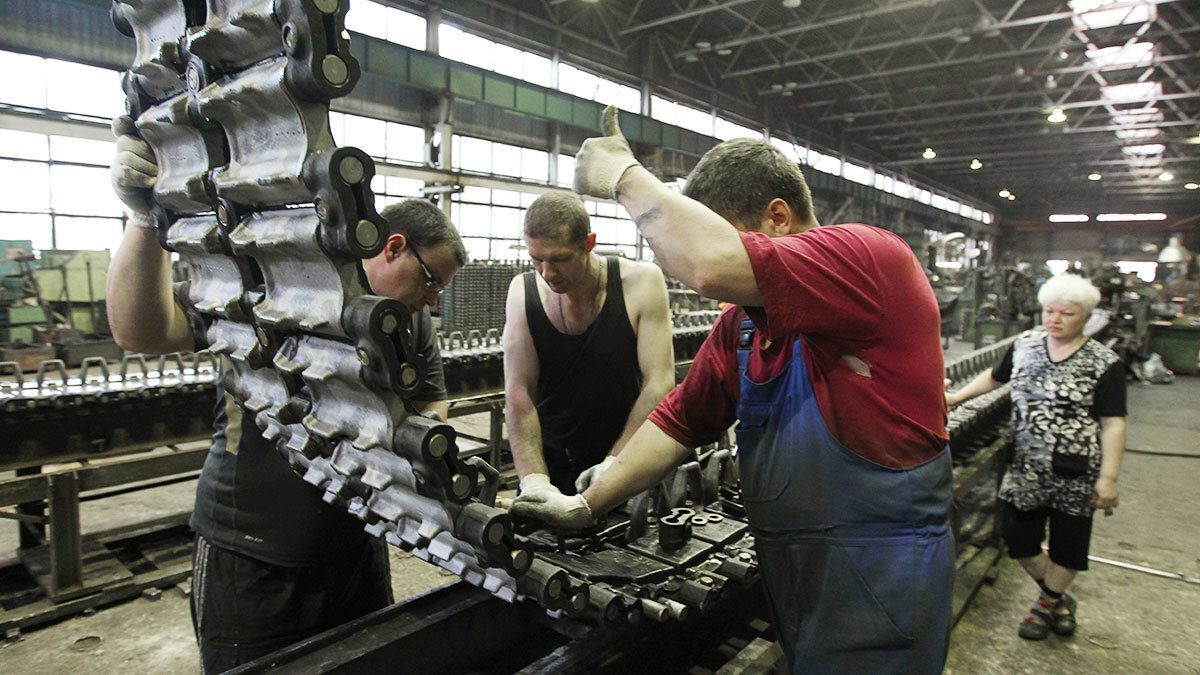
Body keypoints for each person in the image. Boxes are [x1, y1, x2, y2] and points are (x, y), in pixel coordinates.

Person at [512, 107, 955, 673]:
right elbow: (681, 418)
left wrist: (626, 177)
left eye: (719, 229)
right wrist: (586, 503)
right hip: (798, 577)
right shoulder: (743, 325)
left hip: (886, 574)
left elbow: (710, 263)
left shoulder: (871, 257)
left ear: (777, 219)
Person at [106, 115, 467, 673]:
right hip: (252, 555)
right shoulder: (275, 287)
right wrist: (142, 220)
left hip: (356, 548)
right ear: (393, 247)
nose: (433, 300)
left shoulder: (413, 325)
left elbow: (432, 406)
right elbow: (141, 332)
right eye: (430, 280)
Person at [946, 273, 1126, 641]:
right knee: (1020, 540)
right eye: (1049, 311)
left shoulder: (1104, 363)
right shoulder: (1026, 345)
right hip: (1025, 466)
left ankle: (1045, 606)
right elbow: (996, 379)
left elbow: (1112, 424)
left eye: (1067, 314)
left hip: (1076, 471)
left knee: (1068, 545)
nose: (1055, 319)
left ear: (1087, 317)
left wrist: (1108, 478)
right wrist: (958, 397)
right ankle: (1058, 598)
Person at [503, 191, 675, 502]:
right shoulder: (522, 292)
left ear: (589, 244)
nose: (548, 273)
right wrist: (534, 480)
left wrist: (616, 463)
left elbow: (659, 382)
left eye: (560, 259)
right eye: (536, 259)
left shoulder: (641, 283)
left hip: (625, 460)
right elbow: (518, 392)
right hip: (550, 462)